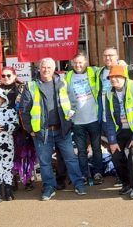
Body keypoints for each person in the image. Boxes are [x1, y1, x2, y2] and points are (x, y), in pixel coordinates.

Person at [21, 57, 87, 201]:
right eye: (43, 67)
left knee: (71, 159)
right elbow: (24, 110)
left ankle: (78, 183)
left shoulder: (62, 83)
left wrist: (69, 122)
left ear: (53, 69)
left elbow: (73, 104)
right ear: (39, 68)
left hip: (62, 130)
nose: (46, 70)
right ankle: (49, 187)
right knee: (45, 162)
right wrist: (30, 129)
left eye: (49, 67)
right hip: (41, 132)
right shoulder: (31, 86)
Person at [103, 65, 133, 199]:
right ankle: (126, 184)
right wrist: (112, 141)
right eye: (111, 77)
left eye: (117, 76)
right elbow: (109, 119)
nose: (113, 79)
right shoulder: (108, 93)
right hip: (120, 130)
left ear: (124, 77)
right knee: (116, 155)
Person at [65, 53, 104, 185]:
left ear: (86, 62)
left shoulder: (94, 72)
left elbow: (108, 68)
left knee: (96, 148)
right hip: (77, 121)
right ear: (72, 63)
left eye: (81, 62)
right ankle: (84, 175)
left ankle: (98, 173)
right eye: (75, 63)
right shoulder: (68, 76)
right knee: (81, 151)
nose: (78, 65)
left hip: (93, 118)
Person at [0, 67, 36, 191]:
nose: (6, 78)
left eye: (9, 75)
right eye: (3, 76)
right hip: (5, 129)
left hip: (22, 127)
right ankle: (12, 180)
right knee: (9, 155)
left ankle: (28, 179)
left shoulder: (23, 88)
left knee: (25, 154)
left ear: (14, 76)